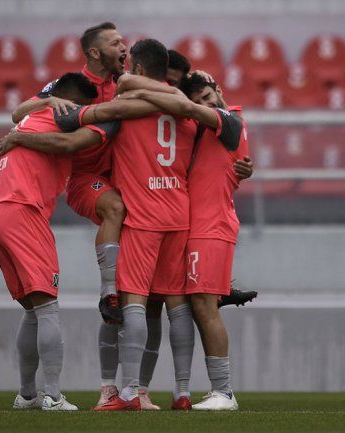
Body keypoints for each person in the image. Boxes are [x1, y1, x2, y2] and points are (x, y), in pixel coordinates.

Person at [0, 72, 120, 411]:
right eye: (84, 109)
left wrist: (21, 133)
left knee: (32, 309)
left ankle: (28, 394)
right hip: (24, 212)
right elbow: (69, 143)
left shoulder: (32, 117)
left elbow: (19, 112)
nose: (84, 116)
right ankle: (53, 395)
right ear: (74, 104)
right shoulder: (63, 117)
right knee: (47, 307)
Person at [120, 71, 248, 410]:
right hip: (196, 229)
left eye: (209, 96)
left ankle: (224, 391)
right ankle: (207, 390)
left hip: (212, 227)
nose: (207, 104)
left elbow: (190, 111)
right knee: (198, 307)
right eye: (201, 99)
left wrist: (145, 90)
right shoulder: (198, 134)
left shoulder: (228, 118)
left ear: (219, 93)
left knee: (205, 308)